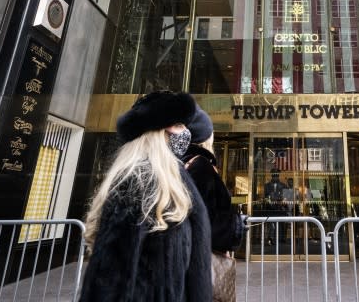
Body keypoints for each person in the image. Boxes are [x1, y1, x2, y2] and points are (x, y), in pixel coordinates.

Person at [80, 91, 212, 302]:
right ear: (156, 133)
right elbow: (109, 280)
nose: (186, 133)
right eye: (178, 125)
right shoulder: (137, 183)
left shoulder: (175, 181)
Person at [180, 104, 245, 253]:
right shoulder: (201, 166)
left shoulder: (181, 162)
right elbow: (204, 221)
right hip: (198, 255)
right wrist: (236, 225)